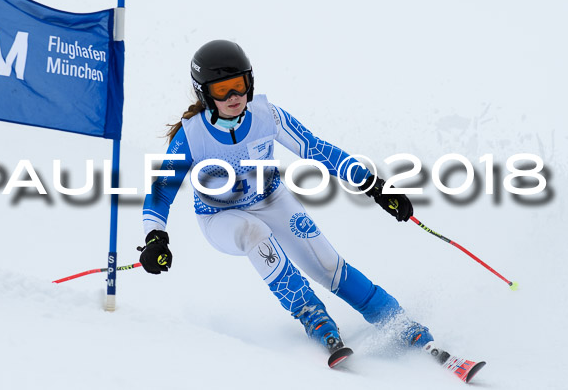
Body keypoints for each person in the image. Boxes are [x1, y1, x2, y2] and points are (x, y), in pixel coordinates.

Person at [138, 39, 434, 367]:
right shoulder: (192, 136)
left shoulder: (267, 116)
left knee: (326, 262)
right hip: (219, 216)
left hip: (270, 198)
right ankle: (314, 317)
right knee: (254, 232)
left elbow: (316, 149)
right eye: (222, 90)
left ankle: (397, 321)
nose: (234, 97)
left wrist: (374, 186)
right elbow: (161, 191)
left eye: (239, 85)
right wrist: (155, 237)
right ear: (205, 94)